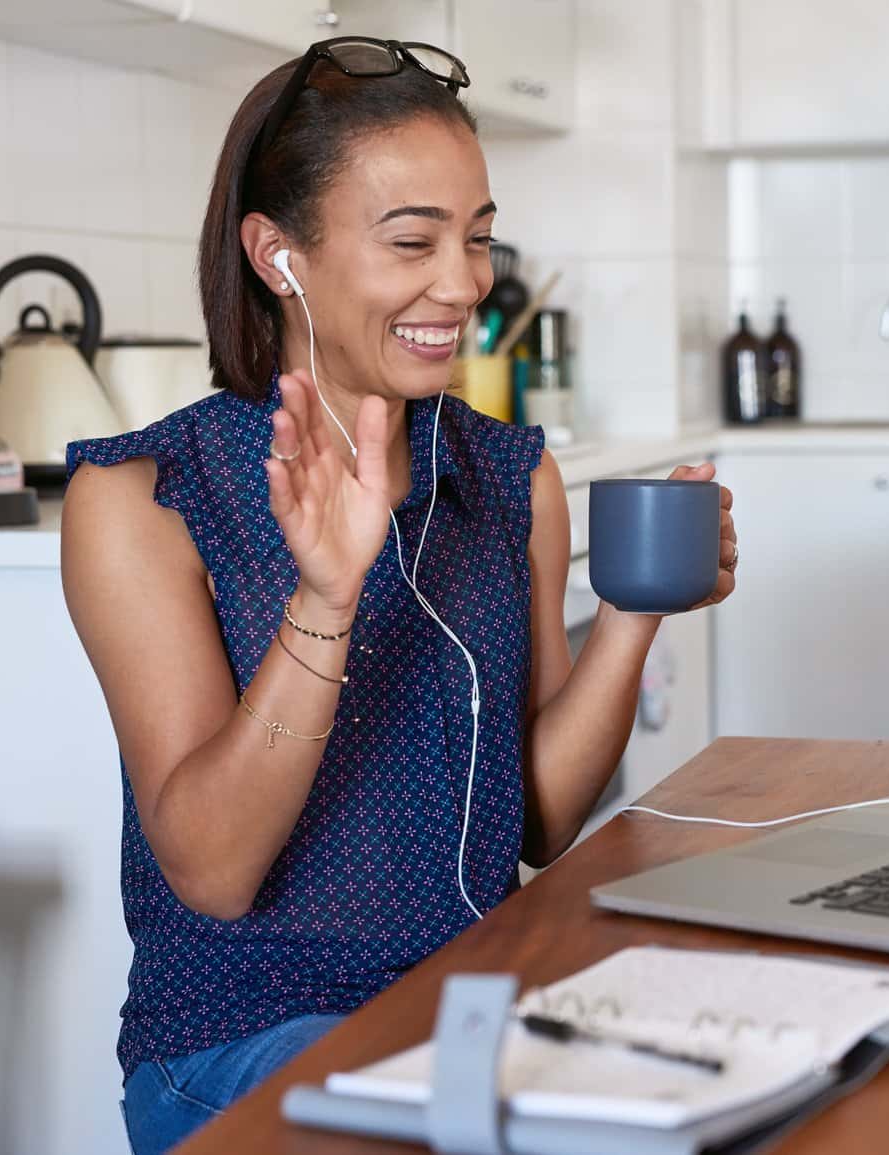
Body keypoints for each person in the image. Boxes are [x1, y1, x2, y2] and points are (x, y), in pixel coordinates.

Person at [58, 38, 738, 1154]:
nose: (466, 283)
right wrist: (326, 595)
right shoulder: (143, 498)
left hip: (470, 1018)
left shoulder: (512, 475)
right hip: (243, 1045)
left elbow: (539, 823)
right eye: (413, 240)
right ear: (278, 256)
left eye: (478, 239)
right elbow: (213, 873)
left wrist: (632, 608)